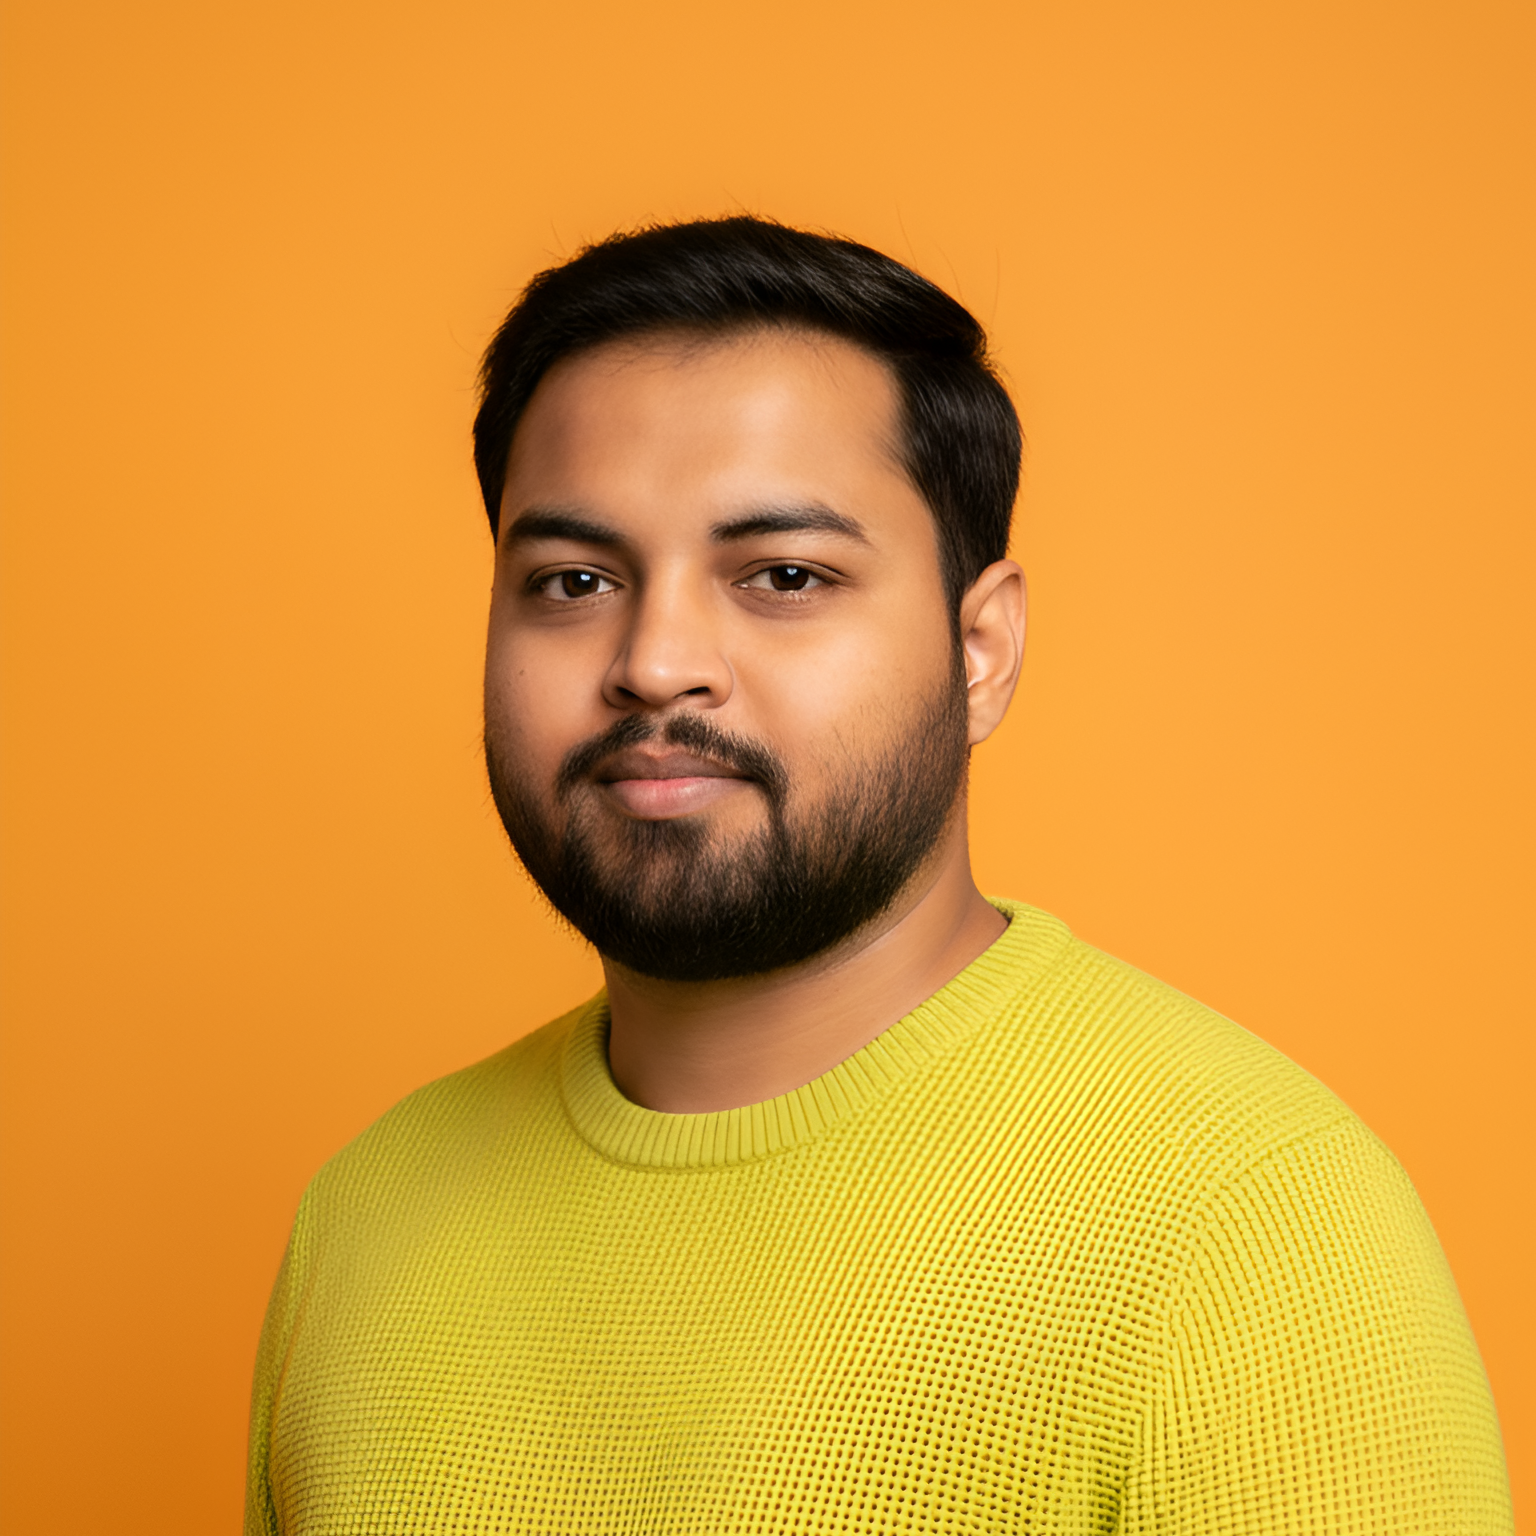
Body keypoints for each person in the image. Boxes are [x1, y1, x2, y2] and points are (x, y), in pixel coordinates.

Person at [244, 217, 1512, 1533]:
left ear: (981, 651)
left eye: (785, 575)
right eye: (573, 582)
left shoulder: (1250, 1220)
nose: (655, 662)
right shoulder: (366, 1220)